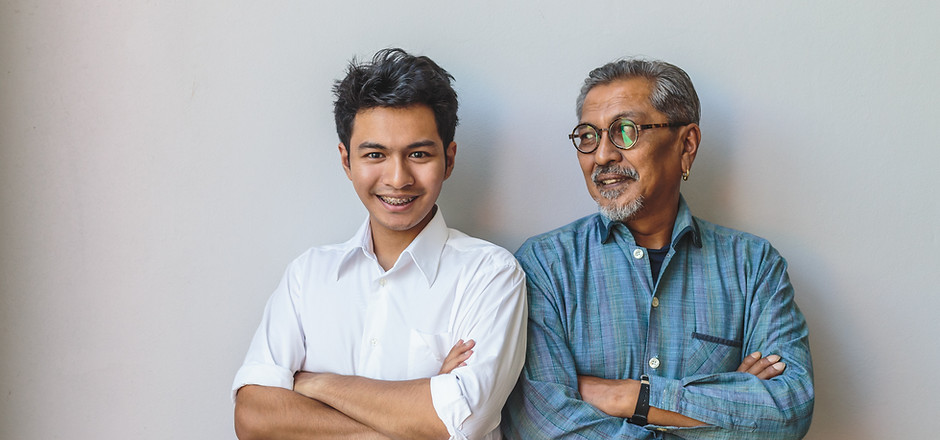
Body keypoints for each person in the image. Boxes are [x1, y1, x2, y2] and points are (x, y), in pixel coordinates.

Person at [501, 57, 814, 439]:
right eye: (588, 136)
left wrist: (630, 396)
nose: (602, 156)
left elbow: (788, 411)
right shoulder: (544, 266)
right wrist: (725, 404)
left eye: (626, 131)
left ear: (687, 145)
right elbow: (540, 423)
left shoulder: (753, 266)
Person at [232, 48, 527, 440]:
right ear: (346, 161)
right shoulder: (308, 275)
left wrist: (314, 384)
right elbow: (252, 417)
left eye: (418, 154)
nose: (398, 177)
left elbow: (459, 422)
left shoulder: (490, 274)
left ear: (449, 159)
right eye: (375, 154)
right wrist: (414, 410)